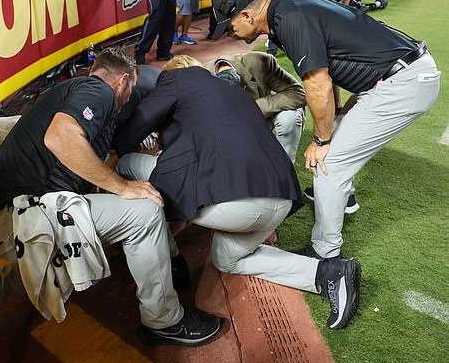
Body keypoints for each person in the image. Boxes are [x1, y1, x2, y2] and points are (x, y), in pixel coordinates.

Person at [0, 49, 221, 356]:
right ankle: (164, 321)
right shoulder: (105, 92)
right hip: (18, 216)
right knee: (140, 214)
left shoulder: (71, 93)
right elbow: (63, 140)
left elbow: (12, 130)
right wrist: (122, 188)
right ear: (123, 82)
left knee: (65, 249)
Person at [115, 58, 361, 329]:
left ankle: (171, 258)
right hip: (279, 198)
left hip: (236, 201)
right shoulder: (233, 91)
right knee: (226, 259)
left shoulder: (175, 79)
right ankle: (329, 273)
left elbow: (130, 134)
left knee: (125, 163)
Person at [211, 0, 440, 260]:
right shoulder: (288, 7)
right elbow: (328, 69)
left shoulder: (290, 19)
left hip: (401, 82)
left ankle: (325, 254)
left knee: (327, 163)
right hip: (397, 73)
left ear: (247, 16)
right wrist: (338, 114)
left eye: (230, 26)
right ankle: (347, 199)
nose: (230, 34)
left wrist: (321, 139)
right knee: (338, 129)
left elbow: (317, 83)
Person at [202, 52, 305, 162]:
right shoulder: (200, 77)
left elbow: (298, 94)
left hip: (269, 110)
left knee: (289, 118)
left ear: (244, 86)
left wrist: (253, 107)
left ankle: (286, 166)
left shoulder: (259, 62)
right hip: (232, 123)